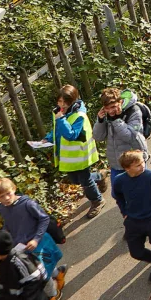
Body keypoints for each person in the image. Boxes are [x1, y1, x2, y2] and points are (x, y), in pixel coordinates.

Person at [113, 149, 151, 289]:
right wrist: (125, 212)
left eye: (142, 162)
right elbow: (118, 197)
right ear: (127, 168)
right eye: (138, 165)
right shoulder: (120, 181)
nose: (143, 166)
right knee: (136, 252)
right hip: (133, 222)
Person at [0, 178, 63, 292]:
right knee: (41, 268)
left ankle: (53, 294)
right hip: (22, 246)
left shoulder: (27, 204)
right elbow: (9, 222)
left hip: (38, 243)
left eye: (8, 193)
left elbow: (44, 219)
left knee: (40, 273)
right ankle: (58, 274)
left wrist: (36, 239)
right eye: (1, 197)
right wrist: (4, 233)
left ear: (14, 189)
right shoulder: (0, 207)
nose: (6, 198)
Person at [46, 85, 103, 218]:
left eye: (66, 102)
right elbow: (58, 130)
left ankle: (97, 200)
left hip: (80, 155)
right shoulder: (61, 113)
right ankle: (100, 176)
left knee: (85, 181)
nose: (62, 105)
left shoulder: (79, 115)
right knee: (76, 181)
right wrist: (47, 138)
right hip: (69, 157)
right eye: (60, 101)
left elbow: (71, 135)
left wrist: (60, 119)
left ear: (73, 100)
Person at [95, 86, 150, 188]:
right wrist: (100, 121)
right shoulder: (106, 114)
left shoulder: (134, 111)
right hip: (116, 163)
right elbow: (98, 137)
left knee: (142, 191)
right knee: (118, 193)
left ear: (120, 102)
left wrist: (117, 119)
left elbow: (129, 137)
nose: (110, 111)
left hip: (135, 160)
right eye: (107, 108)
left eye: (113, 107)